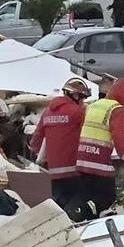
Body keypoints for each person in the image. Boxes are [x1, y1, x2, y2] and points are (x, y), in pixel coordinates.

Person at [72, 78, 124, 221]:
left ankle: (83, 217)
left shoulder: (93, 105)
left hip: (82, 159)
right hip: (99, 162)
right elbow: (120, 138)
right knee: (107, 196)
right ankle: (85, 215)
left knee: (88, 195)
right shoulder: (117, 109)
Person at [29, 78, 91, 206]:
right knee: (76, 206)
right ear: (75, 95)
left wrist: (34, 153)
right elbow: (86, 136)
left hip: (53, 171)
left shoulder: (47, 112)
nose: (83, 101)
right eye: (82, 98)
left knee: (58, 205)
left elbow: (36, 139)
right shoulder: (78, 112)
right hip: (73, 169)